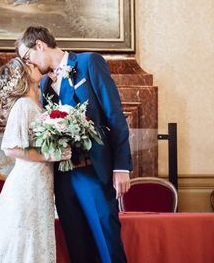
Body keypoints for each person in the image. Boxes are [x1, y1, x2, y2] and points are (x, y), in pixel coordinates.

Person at [17, 26, 132, 263]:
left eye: (27, 57)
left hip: (93, 172)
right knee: (77, 247)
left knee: (108, 243)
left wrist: (121, 167)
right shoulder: (43, 86)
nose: (29, 65)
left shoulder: (90, 63)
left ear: (39, 45)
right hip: (62, 179)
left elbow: (115, 116)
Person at [0, 57, 71, 263]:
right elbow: (11, 148)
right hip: (27, 184)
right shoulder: (23, 105)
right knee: (24, 237)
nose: (34, 64)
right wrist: (50, 155)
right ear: (23, 77)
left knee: (36, 237)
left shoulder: (37, 105)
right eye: (29, 66)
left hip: (41, 182)